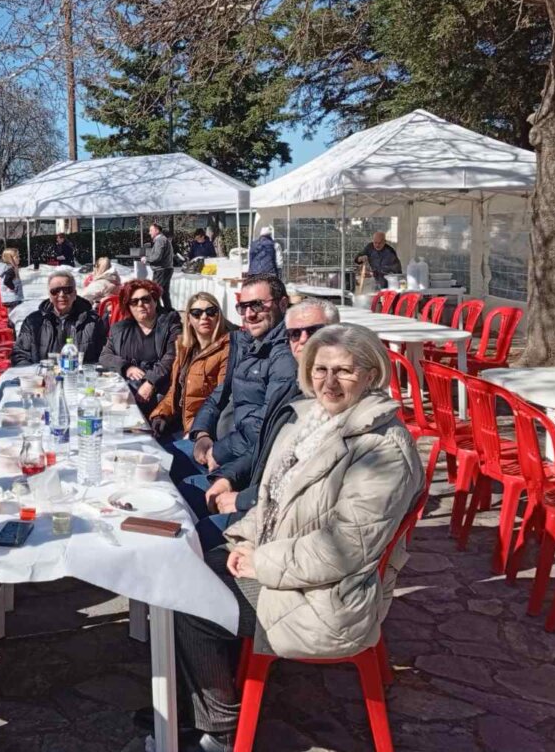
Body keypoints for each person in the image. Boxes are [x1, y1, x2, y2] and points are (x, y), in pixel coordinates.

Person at [172, 324, 424, 752]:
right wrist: (245, 541)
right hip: (290, 567)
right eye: (320, 369)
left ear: (371, 374)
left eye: (344, 371)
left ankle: (220, 730)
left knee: (188, 601)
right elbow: (270, 500)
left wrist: (262, 561)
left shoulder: (383, 449)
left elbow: (344, 549)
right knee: (183, 566)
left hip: (328, 597)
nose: (329, 382)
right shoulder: (311, 422)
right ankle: (190, 705)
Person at [189, 298, 342, 550]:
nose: (304, 340)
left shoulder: (339, 404)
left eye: (314, 331)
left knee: (197, 531)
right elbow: (266, 447)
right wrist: (227, 476)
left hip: (292, 532)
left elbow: (308, 487)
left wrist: (243, 500)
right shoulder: (295, 390)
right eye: (294, 334)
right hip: (261, 495)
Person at [183, 274, 297, 481]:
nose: (249, 314)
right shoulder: (246, 344)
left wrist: (219, 452)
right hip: (218, 443)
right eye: (243, 307)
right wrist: (201, 433)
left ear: (282, 304)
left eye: (258, 305)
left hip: (239, 461)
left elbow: (266, 425)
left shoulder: (285, 354)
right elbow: (218, 395)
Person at [149, 292, 235, 436]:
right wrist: (161, 414)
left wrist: (198, 431)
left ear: (219, 316)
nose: (204, 317)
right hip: (178, 424)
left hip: (202, 432)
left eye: (211, 311)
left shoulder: (227, 349)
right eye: (197, 313)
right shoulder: (185, 348)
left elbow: (221, 400)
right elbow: (174, 391)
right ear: (188, 319)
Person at [98, 279, 180, 416]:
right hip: (127, 392)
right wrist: (126, 367)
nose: (140, 304)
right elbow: (105, 356)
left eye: (145, 299)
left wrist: (151, 382)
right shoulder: (120, 329)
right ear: (128, 306)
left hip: (161, 393)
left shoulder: (171, 325)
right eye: (134, 302)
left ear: (155, 301)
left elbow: (172, 357)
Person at [10, 271, 106, 367]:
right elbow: (20, 355)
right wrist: (34, 373)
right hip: (43, 375)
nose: (61, 295)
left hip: (79, 375)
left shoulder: (92, 321)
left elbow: (104, 355)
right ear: (49, 295)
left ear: (75, 293)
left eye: (67, 290)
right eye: (55, 291)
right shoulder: (33, 322)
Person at [144, 222, 175, 312]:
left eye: (151, 230)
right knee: (164, 293)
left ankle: (158, 311)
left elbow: (157, 257)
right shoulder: (164, 239)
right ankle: (168, 311)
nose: (149, 232)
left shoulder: (160, 240)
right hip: (166, 269)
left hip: (161, 270)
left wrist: (146, 259)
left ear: (157, 231)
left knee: (154, 291)